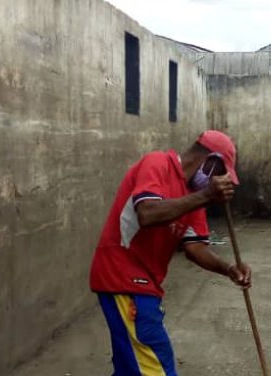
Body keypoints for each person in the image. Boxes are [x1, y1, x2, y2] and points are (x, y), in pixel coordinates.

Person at [89, 130, 251, 376]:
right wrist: (206, 195)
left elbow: (195, 248)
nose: (220, 182)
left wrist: (228, 269)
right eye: (221, 174)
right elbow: (147, 213)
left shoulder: (193, 197)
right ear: (210, 161)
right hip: (123, 277)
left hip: (146, 284)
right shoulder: (157, 163)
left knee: (131, 367)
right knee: (155, 364)